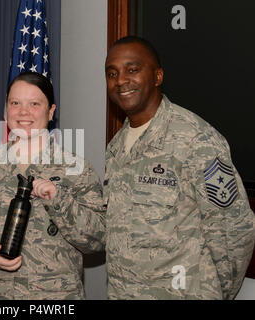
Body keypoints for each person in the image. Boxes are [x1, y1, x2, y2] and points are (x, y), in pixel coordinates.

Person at [103, 36, 255, 299]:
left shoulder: (196, 139)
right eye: (112, 73)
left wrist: (214, 292)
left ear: (157, 76)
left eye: (133, 69)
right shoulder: (116, 147)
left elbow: (234, 232)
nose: (120, 80)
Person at [0, 72, 106, 299]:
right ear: (5, 109)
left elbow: (98, 238)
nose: (23, 112)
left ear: (51, 111)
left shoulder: (76, 169)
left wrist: (59, 200)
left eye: (34, 104)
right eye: (15, 103)